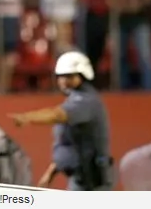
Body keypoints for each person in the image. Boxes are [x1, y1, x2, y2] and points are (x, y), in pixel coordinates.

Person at [8, 51, 113, 191]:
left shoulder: (85, 101)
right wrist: (50, 174)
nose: (63, 81)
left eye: (69, 76)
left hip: (91, 182)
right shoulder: (76, 99)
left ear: (83, 75)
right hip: (82, 177)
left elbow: (57, 115)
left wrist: (28, 118)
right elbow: (69, 144)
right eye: (61, 76)